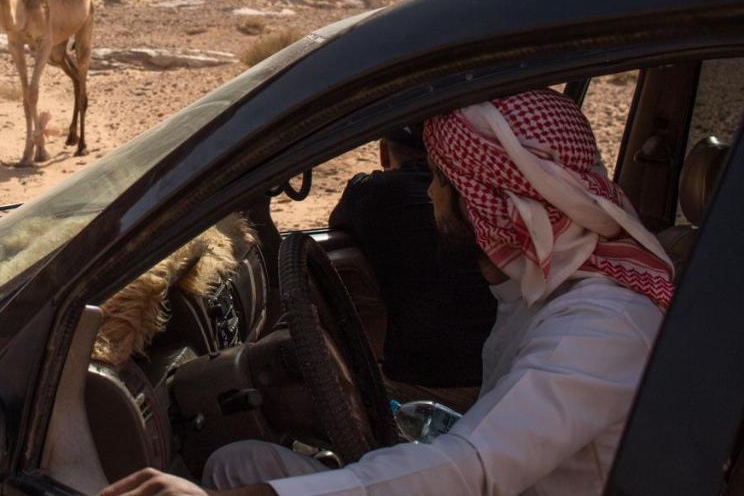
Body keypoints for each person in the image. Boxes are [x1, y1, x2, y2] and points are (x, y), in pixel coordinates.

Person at [101, 89, 675, 496]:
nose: (430, 196)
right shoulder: (540, 289)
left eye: (442, 182)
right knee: (237, 461)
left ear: (490, 200)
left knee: (235, 479)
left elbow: (474, 468)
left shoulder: (600, 323)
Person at [328, 125, 494, 402]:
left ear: (383, 153)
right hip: (501, 370)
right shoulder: (483, 191)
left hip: (425, 384)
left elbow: (341, 222)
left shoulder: (376, 194)